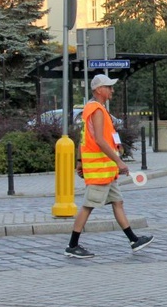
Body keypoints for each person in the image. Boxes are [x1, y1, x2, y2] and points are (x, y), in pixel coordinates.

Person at [65, 74, 153, 259]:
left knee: (117, 202)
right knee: (89, 206)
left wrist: (80, 161)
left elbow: (84, 138)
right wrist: (119, 161)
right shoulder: (96, 110)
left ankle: (133, 240)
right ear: (99, 90)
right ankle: (72, 245)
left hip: (106, 170)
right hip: (100, 169)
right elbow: (98, 140)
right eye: (109, 87)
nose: (112, 90)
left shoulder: (96, 109)